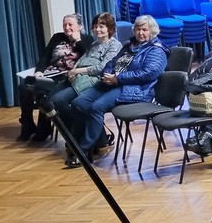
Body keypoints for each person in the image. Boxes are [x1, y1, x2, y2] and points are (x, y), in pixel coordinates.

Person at [69, 15, 168, 167]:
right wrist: (107, 74)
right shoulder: (129, 45)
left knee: (96, 107)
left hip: (134, 89)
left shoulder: (157, 50)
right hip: (112, 83)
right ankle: (94, 141)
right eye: (137, 29)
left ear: (152, 31)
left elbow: (149, 74)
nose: (140, 33)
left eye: (144, 30)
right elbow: (112, 62)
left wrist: (118, 78)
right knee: (78, 103)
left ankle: (83, 150)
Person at [18, 13, 91, 141]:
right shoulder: (57, 37)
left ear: (79, 26)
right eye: (64, 25)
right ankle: (27, 124)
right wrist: (39, 71)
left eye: (70, 24)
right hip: (49, 72)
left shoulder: (87, 39)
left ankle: (44, 128)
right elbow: (45, 56)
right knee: (24, 87)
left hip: (67, 76)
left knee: (42, 92)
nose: (67, 27)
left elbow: (89, 57)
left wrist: (77, 41)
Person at [49, 13, 123, 138]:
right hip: (79, 77)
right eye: (95, 26)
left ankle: (75, 135)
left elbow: (102, 68)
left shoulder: (115, 45)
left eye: (101, 26)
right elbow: (82, 59)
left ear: (110, 28)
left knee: (59, 101)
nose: (97, 29)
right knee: (50, 99)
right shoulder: (94, 44)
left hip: (94, 81)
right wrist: (73, 71)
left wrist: (77, 71)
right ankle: (81, 134)